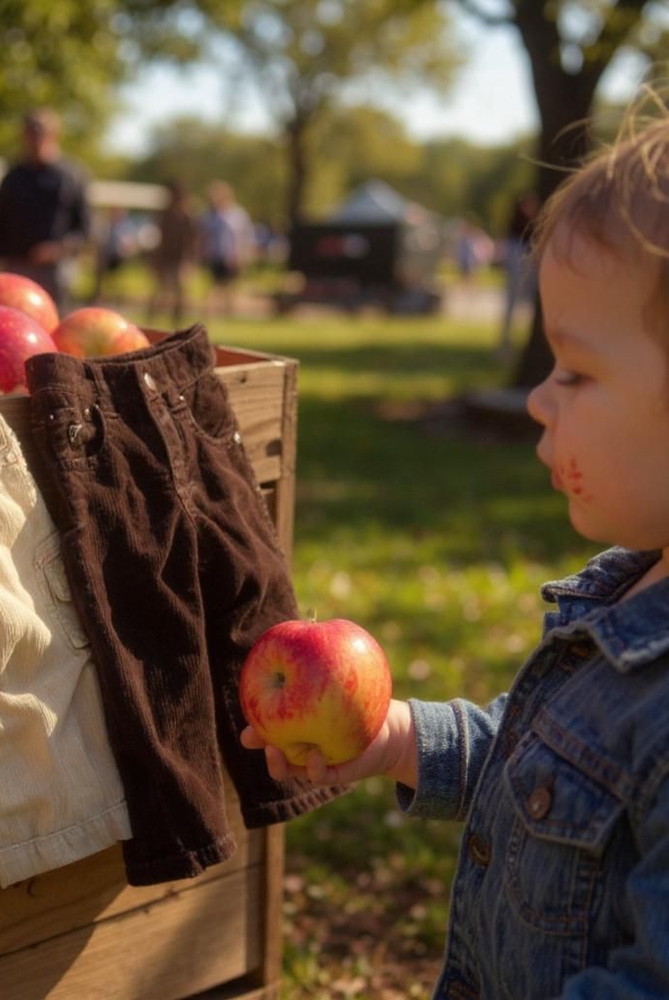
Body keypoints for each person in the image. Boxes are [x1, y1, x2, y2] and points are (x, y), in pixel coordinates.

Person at [243, 102, 669, 998]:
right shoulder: (623, 601)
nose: (538, 402)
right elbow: (542, 773)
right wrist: (395, 740)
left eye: (576, 373)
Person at [0, 108, 90, 316]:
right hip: (15, 268)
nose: (34, 139)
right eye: (29, 133)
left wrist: (59, 249)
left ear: (54, 135)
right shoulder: (13, 177)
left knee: (54, 321)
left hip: (54, 271)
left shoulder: (71, 176)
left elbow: (84, 230)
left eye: (40, 133)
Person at [147, 179, 198, 326]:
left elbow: (192, 241)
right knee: (159, 292)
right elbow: (157, 239)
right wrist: (155, 260)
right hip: (165, 259)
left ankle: (176, 321)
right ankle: (153, 319)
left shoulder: (187, 216)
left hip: (179, 259)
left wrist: (189, 261)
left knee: (179, 293)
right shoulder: (164, 215)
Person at [199, 180, 254, 317]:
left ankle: (230, 312)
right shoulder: (209, 216)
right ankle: (212, 313)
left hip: (233, 256)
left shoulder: (237, 214)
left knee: (231, 286)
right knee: (215, 285)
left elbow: (245, 235)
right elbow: (203, 236)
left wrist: (242, 254)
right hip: (216, 255)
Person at [497, 190, 541, 361]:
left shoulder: (532, 233)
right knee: (511, 308)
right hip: (516, 275)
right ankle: (505, 345)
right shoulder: (515, 237)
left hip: (527, 276)